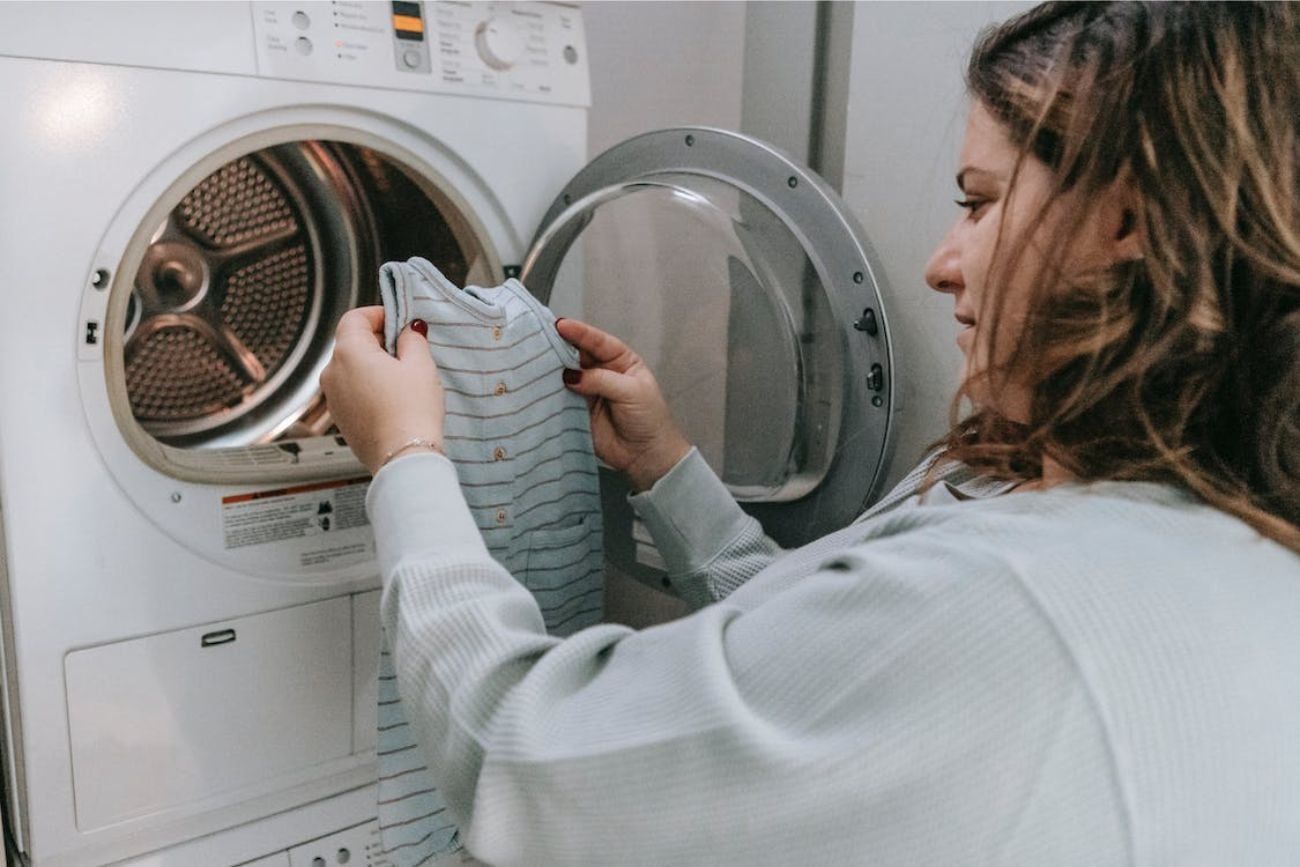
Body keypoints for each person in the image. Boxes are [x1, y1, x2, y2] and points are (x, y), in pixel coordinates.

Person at [320, 3, 1300, 864]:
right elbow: (821, 673)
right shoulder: (1155, 521)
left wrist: (410, 458)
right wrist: (666, 469)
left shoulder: (1011, 596)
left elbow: (519, 758)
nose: (939, 263)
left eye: (980, 201)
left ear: (1125, 215)